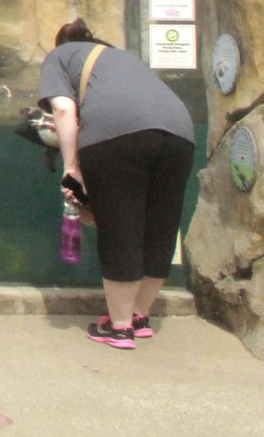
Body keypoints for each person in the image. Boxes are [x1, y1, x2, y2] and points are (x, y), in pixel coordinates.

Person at [39, 18, 195, 350]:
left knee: (120, 227)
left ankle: (120, 328)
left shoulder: (58, 56)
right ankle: (139, 316)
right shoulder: (120, 58)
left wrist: (72, 167)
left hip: (119, 135)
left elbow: (64, 110)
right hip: (180, 133)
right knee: (160, 226)